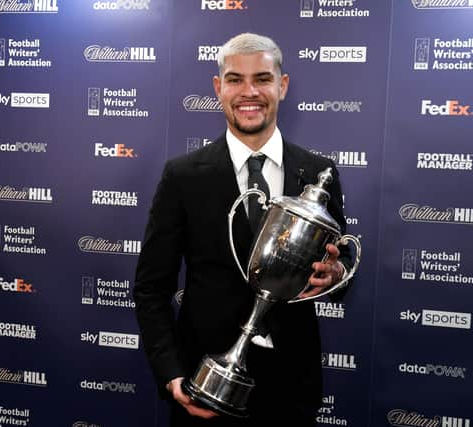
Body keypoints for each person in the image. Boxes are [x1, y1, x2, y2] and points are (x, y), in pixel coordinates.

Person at [134, 32, 354, 427]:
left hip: (292, 389)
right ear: (218, 88)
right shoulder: (182, 176)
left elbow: (341, 269)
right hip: (206, 387)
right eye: (235, 79)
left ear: (282, 86)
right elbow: (151, 288)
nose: (249, 92)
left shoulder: (320, 172)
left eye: (263, 79)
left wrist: (336, 274)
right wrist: (172, 376)